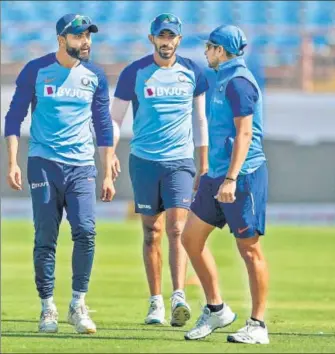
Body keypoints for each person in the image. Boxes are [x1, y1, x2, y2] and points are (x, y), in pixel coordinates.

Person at [4, 14, 116, 334]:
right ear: (61, 39)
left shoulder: (95, 75)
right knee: (45, 238)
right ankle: (48, 307)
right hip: (43, 163)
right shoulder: (36, 70)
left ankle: (78, 304)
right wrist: (12, 162)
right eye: (79, 36)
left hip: (81, 166)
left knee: (86, 231)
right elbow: (14, 119)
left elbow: (103, 126)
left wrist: (107, 171)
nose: (86, 41)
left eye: (88, 36)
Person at [110, 13, 209, 327]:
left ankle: (178, 295)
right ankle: (155, 303)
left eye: (172, 36)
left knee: (177, 228)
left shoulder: (194, 72)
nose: (167, 42)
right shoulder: (134, 73)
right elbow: (115, 118)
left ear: (179, 39)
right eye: (161, 36)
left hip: (180, 161)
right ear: (152, 38)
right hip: (144, 161)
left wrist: (204, 162)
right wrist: (109, 153)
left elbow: (200, 120)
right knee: (151, 231)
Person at [182, 25, 270, 344]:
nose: (205, 51)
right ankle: (217, 308)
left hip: (242, 175)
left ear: (221, 51)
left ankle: (258, 325)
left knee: (249, 249)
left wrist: (232, 177)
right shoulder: (219, 79)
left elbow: (245, 134)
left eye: (209, 47)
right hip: (216, 175)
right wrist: (210, 173)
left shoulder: (239, 83)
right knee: (190, 239)